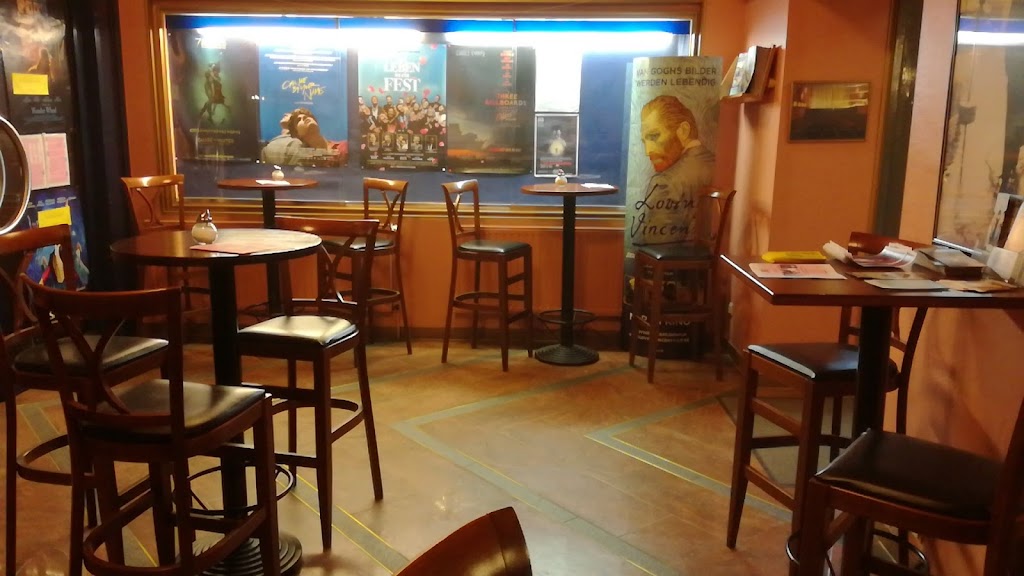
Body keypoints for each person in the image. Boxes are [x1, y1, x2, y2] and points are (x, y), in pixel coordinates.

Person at [634, 94, 715, 245]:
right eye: (644, 141)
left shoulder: (664, 183)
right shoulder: (718, 165)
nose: (647, 151)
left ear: (683, 131)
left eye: (654, 136)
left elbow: (654, 245)